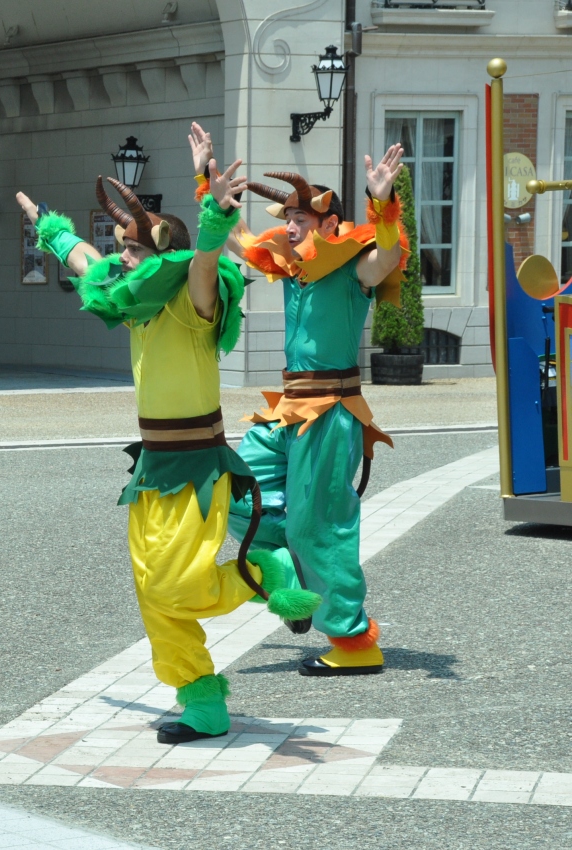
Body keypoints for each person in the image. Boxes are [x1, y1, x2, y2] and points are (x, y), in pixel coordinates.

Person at [18, 147, 321, 745]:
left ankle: (266, 566)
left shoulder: (189, 299)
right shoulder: (135, 304)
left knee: (177, 586)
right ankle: (202, 699)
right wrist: (46, 226)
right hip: (153, 464)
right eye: (122, 247)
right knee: (152, 592)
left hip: (198, 465)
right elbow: (84, 259)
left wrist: (214, 216)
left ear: (162, 253)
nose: (121, 257)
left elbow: (204, 264)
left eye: (133, 249)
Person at [226, 145, 409, 676]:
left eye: (300, 218)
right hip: (289, 408)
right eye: (287, 218)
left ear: (329, 223)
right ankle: (292, 574)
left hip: (331, 411)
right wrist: (212, 196)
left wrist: (382, 202)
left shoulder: (353, 267)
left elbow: (388, 258)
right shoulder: (293, 267)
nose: (289, 226)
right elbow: (240, 241)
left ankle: (354, 643)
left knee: (320, 526)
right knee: (233, 489)